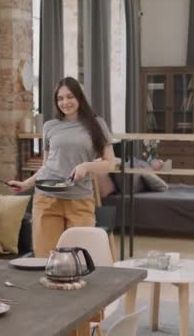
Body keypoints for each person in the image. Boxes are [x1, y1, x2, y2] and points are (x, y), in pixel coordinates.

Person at [8, 77, 116, 257]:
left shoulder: (97, 124)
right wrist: (26, 184)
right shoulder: (50, 126)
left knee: (81, 259)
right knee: (45, 259)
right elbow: (47, 165)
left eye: (70, 97)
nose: (65, 102)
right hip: (46, 200)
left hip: (79, 200)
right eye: (60, 98)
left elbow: (110, 163)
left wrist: (86, 166)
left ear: (79, 98)